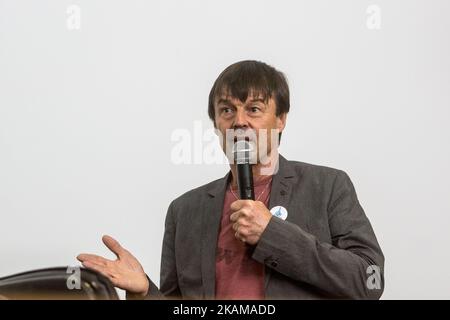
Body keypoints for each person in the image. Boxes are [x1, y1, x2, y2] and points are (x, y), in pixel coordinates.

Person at [77, 60, 384, 299]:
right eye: (227, 110)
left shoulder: (327, 186)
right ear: (216, 125)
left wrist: (272, 234)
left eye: (254, 109)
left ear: (280, 119)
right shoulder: (184, 211)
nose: (239, 120)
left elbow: (370, 280)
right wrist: (144, 291)